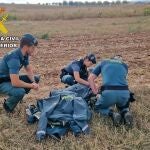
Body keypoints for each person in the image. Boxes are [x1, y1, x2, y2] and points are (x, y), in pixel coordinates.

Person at [88, 55, 133, 127]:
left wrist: (96, 92)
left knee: (96, 107)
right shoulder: (125, 65)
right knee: (122, 106)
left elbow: (90, 78)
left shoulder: (103, 62)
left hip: (109, 92)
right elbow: (119, 80)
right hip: (124, 92)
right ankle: (125, 112)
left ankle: (112, 114)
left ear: (110, 59)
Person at [0, 34, 40, 113]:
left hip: (8, 78)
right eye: (33, 47)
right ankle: (8, 106)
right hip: (1, 82)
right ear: (25, 47)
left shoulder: (24, 54)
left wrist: (33, 82)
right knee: (20, 91)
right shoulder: (14, 58)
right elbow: (15, 83)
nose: (34, 49)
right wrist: (32, 86)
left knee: (35, 78)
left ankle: (17, 98)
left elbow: (28, 69)